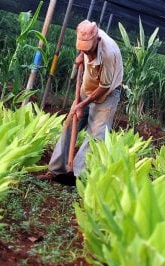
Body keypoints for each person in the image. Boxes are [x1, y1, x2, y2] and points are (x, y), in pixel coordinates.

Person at [40, 20, 123, 185]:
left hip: (107, 93)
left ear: (97, 40)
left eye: (88, 50)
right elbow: (85, 51)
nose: (86, 52)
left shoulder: (108, 53)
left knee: (96, 135)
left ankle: (77, 176)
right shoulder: (86, 42)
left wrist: (81, 105)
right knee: (69, 124)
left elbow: (103, 87)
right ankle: (56, 170)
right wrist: (81, 56)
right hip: (87, 86)